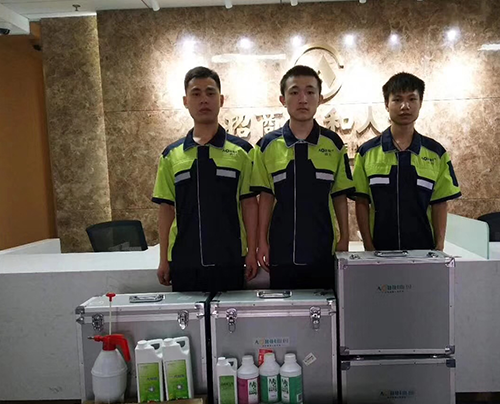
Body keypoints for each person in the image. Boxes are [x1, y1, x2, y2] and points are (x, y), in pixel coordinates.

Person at [152, 66, 258, 292]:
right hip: (184, 260)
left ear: (221, 99)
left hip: (230, 257)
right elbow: (166, 209)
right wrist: (163, 259)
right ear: (185, 101)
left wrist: (252, 252)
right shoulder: (171, 155)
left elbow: (249, 204)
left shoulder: (242, 151)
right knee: (187, 316)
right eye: (196, 93)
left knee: (230, 315)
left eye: (210, 93)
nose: (204, 100)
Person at [251, 65, 354, 289]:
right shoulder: (267, 145)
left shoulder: (334, 144)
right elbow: (265, 198)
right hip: (281, 249)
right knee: (285, 306)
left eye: (310, 92)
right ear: (283, 99)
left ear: (320, 99)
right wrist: (261, 242)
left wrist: (344, 238)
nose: (303, 99)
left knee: (326, 306)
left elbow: (339, 196)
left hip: (323, 248)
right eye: (295, 92)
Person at [352, 72, 461, 251]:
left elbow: (439, 203)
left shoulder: (436, 153)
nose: (405, 106)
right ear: (386, 104)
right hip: (380, 251)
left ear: (420, 103)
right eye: (397, 100)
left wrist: (439, 245)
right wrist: (368, 245)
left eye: (412, 99)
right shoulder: (367, 152)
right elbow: (362, 202)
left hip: (423, 250)